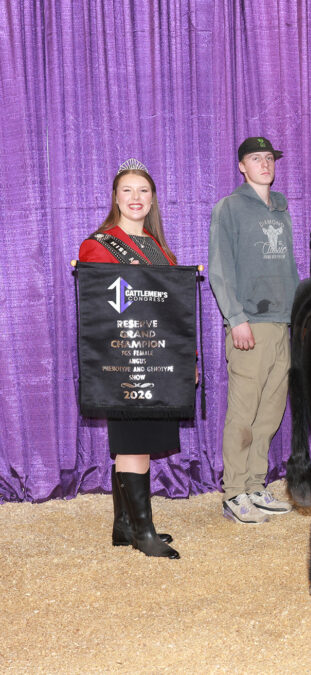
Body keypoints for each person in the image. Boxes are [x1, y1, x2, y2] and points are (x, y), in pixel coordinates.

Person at [78, 159, 182, 558]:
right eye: (127, 191)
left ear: (152, 198)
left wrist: (184, 357)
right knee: (133, 442)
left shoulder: (159, 249)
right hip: (122, 359)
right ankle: (144, 533)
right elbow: (104, 306)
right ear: (115, 198)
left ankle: (125, 526)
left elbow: (176, 312)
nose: (136, 198)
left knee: (138, 442)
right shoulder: (98, 244)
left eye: (143, 191)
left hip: (156, 357)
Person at [208, 136, 300, 524]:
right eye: (255, 158)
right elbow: (220, 267)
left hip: (283, 322)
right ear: (241, 166)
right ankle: (233, 493)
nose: (264, 163)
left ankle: (255, 485)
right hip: (250, 323)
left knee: (270, 412)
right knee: (243, 413)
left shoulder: (280, 209)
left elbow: (289, 269)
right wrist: (236, 318)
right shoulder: (229, 208)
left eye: (269, 158)